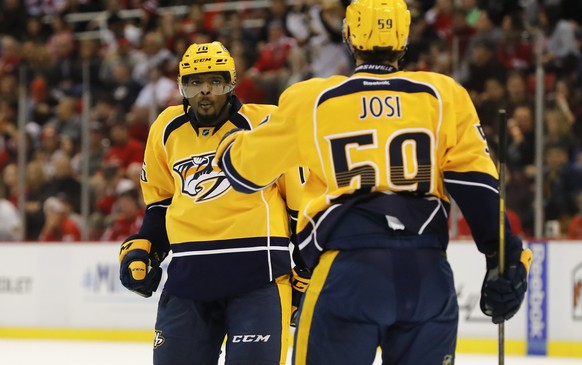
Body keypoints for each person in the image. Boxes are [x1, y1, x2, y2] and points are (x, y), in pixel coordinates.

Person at [215, 1, 533, 364]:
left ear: (349, 37)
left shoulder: (312, 100)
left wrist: (229, 144)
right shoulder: (443, 95)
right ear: (404, 38)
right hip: (427, 274)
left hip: (348, 272)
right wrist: (503, 256)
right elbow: (476, 185)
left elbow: (242, 173)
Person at [118, 41, 309, 365]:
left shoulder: (267, 125)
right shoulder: (166, 128)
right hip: (188, 281)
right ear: (182, 87)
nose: (205, 91)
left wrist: (305, 270)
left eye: (215, 82)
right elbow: (161, 202)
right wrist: (144, 245)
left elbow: (300, 208)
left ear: (231, 83)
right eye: (195, 82)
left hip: (258, 282)